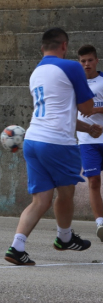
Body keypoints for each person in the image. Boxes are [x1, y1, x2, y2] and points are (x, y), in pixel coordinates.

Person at [4, 27, 101, 266]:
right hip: (57, 143)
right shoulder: (70, 67)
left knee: (41, 200)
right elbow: (87, 108)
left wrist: (88, 129)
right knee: (66, 193)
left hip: (33, 140)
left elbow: (60, 112)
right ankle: (64, 238)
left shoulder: (36, 72)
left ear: (42, 48)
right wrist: (94, 115)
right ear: (65, 46)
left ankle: (17, 247)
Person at [77, 44, 103, 241]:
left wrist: (95, 110)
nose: (87, 64)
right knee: (93, 181)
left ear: (96, 61)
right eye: (83, 61)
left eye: (90, 60)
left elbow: (92, 109)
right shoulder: (74, 84)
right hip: (86, 141)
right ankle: (100, 223)